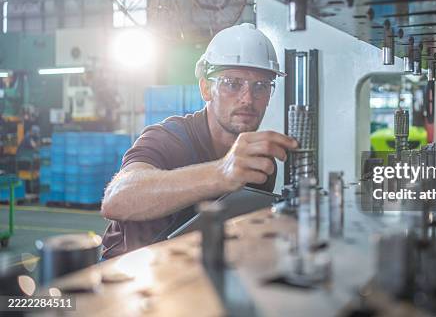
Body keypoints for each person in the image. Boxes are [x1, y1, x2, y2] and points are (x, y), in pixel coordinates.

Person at [100, 23, 297, 258]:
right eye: (232, 84)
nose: (247, 99)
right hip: (127, 277)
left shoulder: (258, 163)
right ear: (205, 89)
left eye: (261, 86)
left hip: (189, 272)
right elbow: (116, 199)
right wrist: (221, 173)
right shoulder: (169, 138)